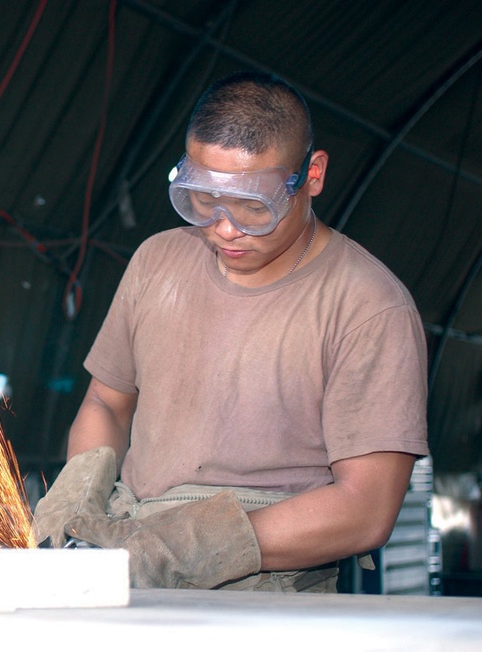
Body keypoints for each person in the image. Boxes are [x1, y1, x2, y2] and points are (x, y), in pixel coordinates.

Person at [32, 71, 429, 592]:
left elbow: (366, 508)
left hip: (265, 593)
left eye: (252, 205)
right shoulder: (158, 261)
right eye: (204, 198)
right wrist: (78, 503)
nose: (223, 227)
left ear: (312, 175)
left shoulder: (369, 306)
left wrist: (181, 548)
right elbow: (106, 403)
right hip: (129, 566)